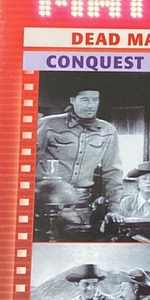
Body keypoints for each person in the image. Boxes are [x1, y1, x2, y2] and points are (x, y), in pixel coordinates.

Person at [36, 89, 123, 217]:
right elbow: (27, 162)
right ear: (72, 100)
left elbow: (113, 172)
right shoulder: (47, 124)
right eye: (85, 100)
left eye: (95, 100)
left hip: (81, 205)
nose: (91, 105)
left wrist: (114, 208)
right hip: (46, 203)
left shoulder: (108, 131)